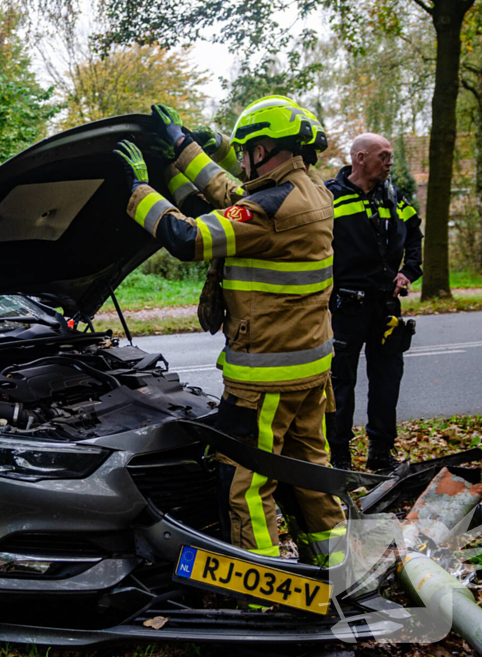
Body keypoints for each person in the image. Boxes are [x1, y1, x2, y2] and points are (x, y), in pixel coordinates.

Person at [112, 98, 345, 567]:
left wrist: (138, 187)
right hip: (309, 372)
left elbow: (188, 238)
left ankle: (261, 595)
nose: (239, 161)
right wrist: (179, 149)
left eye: (244, 151)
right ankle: (337, 567)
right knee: (310, 475)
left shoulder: (273, 208)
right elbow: (228, 193)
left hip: (266, 381)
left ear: (262, 149)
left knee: (247, 485)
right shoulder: (311, 189)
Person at [325, 133, 423, 472]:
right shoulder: (329, 197)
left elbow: (415, 235)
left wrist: (408, 271)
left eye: (390, 156)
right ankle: (339, 458)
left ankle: (381, 454)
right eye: (383, 156)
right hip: (345, 308)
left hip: (386, 307)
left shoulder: (394, 197)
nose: (390, 162)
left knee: (386, 382)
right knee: (340, 384)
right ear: (360, 158)